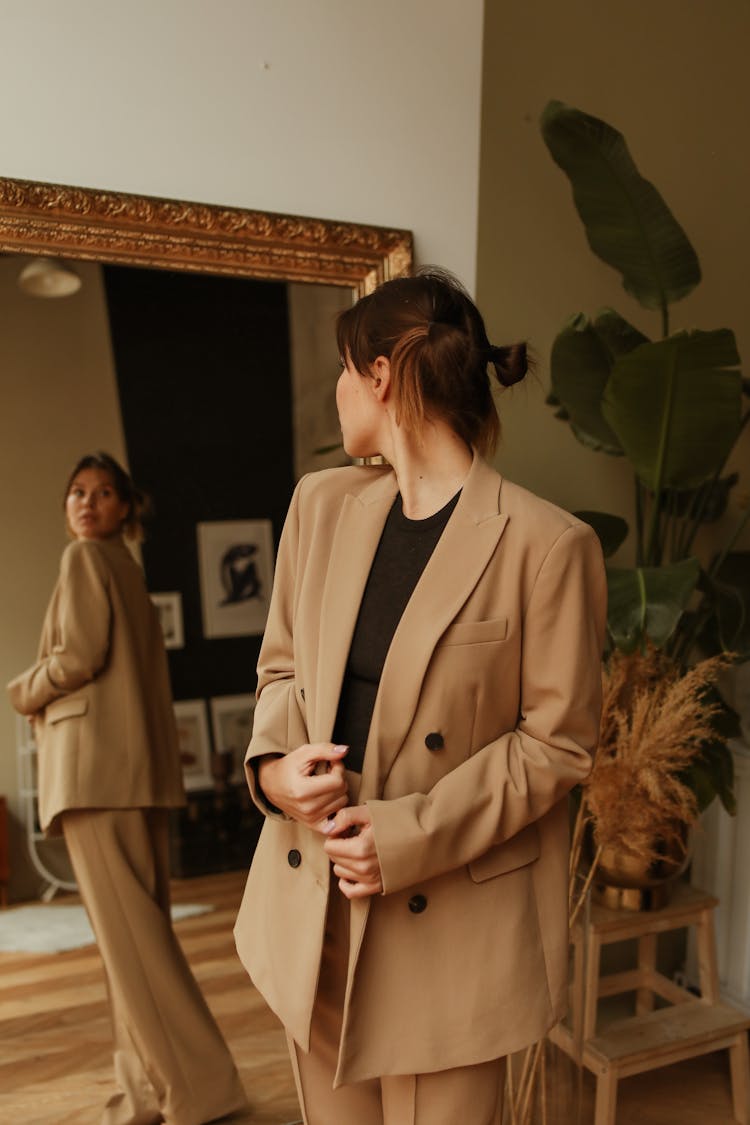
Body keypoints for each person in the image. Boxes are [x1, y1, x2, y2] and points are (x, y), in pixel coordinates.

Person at [233, 269, 607, 1125]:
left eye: (342, 368)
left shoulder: (547, 545)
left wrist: (410, 833)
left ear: (382, 375)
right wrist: (274, 770)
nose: (334, 390)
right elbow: (282, 669)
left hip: (451, 923)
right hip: (316, 901)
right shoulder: (321, 505)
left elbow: (557, 742)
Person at [7, 452, 249, 1125]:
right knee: (134, 946)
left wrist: (23, 690)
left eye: (104, 492)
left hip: (95, 779)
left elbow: (78, 656)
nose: (87, 503)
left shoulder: (84, 562)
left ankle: (201, 1091)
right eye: (77, 492)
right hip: (132, 778)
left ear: (126, 509)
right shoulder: (125, 572)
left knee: (135, 947)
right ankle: (143, 1095)